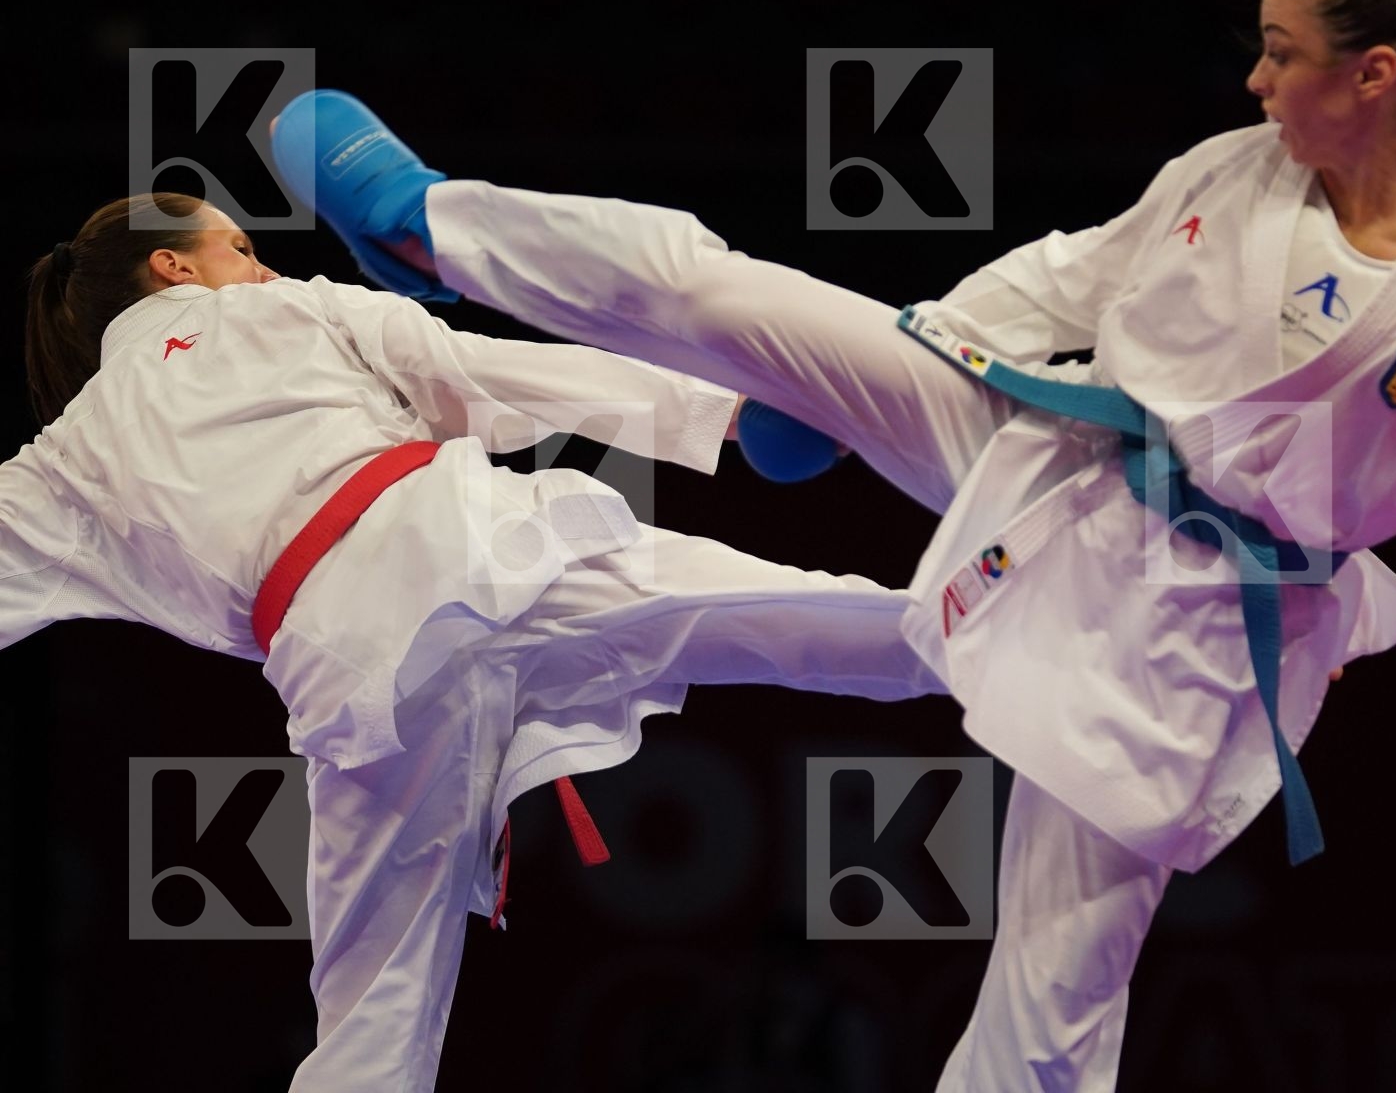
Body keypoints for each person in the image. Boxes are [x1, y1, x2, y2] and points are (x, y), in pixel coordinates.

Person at [275, 0, 1396, 1087]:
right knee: (727, 295)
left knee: (1058, 1001)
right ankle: (431, 226)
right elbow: (1082, 267)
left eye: (1280, 51)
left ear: (1373, 75)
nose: (1255, 75)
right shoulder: (1240, 171)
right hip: (1065, 456)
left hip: (1201, 620)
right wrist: (924, 348)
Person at [2, 192, 951, 1091]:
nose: (262, 265)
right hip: (486, 555)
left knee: (367, 1025)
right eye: (239, 249)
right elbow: (493, 373)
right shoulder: (292, 310)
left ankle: (993, 628)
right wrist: (729, 412)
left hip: (354, 678)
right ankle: (1005, 619)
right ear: (172, 267)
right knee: (795, 617)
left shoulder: (64, 467)